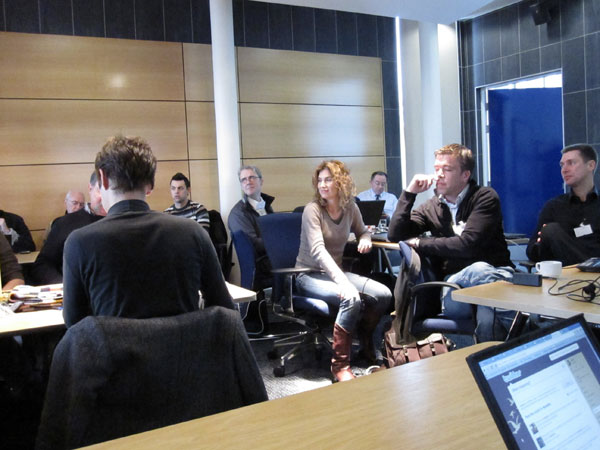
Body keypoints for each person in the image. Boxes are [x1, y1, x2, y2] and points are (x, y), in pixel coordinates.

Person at [62, 135, 234, 328]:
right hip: (184, 356)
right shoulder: (193, 233)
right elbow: (224, 307)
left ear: (102, 179)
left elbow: (74, 324)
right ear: (151, 184)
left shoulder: (79, 242)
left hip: (114, 357)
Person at [388, 143, 514, 341]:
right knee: (480, 271)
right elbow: (395, 234)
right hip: (455, 289)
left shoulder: (484, 197)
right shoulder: (432, 206)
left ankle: (486, 362)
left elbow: (468, 245)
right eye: (437, 169)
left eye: (446, 169)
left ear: (465, 175)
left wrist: (422, 243)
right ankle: (531, 327)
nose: (439, 175)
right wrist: (410, 193)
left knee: (488, 312)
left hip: (496, 275)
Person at [295, 160, 391, 382]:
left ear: (341, 182)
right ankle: (339, 366)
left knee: (384, 294)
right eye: (320, 180)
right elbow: (318, 251)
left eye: (328, 179)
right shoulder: (313, 210)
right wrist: (342, 282)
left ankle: (365, 342)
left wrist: (365, 238)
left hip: (335, 272)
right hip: (309, 274)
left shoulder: (350, 207)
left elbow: (363, 231)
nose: (322, 185)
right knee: (351, 298)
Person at [527, 144, 600, 266]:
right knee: (551, 230)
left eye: (571, 163)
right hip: (565, 277)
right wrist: (545, 240)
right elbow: (532, 251)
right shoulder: (554, 207)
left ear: (591, 165)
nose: (564, 170)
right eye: (562, 165)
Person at [31, 173, 106, 285]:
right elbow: (43, 264)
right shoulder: (65, 223)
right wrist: (65, 287)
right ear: (90, 188)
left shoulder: (128, 223)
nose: (107, 197)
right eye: (101, 190)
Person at [228, 165, 274, 289]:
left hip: (273, 259)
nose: (248, 182)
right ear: (241, 185)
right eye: (244, 179)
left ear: (261, 181)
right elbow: (254, 244)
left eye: (252, 177)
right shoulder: (238, 214)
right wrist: (279, 245)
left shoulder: (266, 206)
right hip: (262, 267)